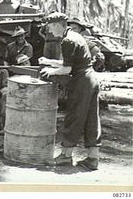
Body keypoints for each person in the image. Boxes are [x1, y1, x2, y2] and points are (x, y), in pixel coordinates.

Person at [39, 12, 101, 171]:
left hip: (81, 82)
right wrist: (49, 62)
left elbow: (67, 68)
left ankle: (65, 156)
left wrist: (50, 72)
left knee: (74, 116)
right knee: (91, 119)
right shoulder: (75, 36)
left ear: (57, 25)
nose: (50, 32)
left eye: (51, 28)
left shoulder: (67, 40)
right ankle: (93, 158)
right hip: (91, 79)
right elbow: (70, 61)